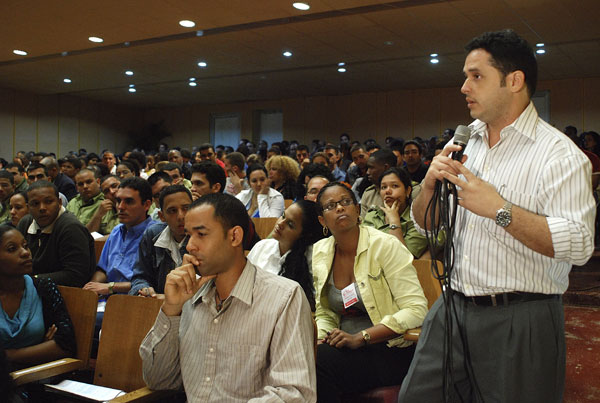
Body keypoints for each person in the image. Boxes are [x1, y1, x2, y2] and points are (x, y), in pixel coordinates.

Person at [398, 30, 595, 403]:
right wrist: (427, 186)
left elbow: (580, 245)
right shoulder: (465, 141)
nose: (463, 87)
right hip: (452, 307)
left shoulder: (559, 156)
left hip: (520, 318)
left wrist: (499, 210)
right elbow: (426, 223)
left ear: (514, 80)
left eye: (476, 76)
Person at [140, 193, 316, 402]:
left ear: (234, 236)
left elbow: (294, 394)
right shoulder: (189, 296)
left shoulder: (284, 297)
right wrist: (171, 310)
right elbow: (159, 381)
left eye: (201, 234)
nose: (189, 246)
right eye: (189, 235)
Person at [313, 182, 427, 402]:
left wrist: (361, 337)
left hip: (391, 348)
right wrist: (319, 340)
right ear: (321, 220)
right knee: (308, 356)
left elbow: (417, 310)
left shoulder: (385, 246)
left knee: (319, 364)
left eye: (345, 202)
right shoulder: (321, 251)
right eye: (330, 206)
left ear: (357, 210)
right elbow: (326, 313)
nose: (339, 208)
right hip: (344, 348)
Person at [0, 225, 76, 370]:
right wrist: (39, 348)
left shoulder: (43, 287)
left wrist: (8, 355)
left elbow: (65, 345)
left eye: (25, 246)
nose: (25, 253)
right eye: (12, 249)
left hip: (35, 378)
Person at [247, 199, 324, 310]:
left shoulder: (312, 258)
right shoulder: (262, 246)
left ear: (304, 235)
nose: (280, 224)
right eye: (283, 216)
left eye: (290, 224)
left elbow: (317, 303)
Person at [84, 177, 155, 296]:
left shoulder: (155, 234)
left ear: (146, 205)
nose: (120, 207)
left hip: (136, 300)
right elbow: (103, 269)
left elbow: (149, 283)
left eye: (129, 201)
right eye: (118, 201)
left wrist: (110, 287)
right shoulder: (117, 231)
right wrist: (92, 287)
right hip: (108, 296)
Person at [17, 181, 95, 287]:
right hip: (32, 288)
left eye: (48, 202)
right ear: (28, 207)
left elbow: (76, 275)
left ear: (59, 203)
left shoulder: (70, 227)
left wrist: (31, 280)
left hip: (67, 294)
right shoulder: (25, 223)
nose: (42, 208)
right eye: (35, 204)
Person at [129, 185, 192, 298]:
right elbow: (140, 277)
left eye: (186, 208)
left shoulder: (204, 238)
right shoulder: (153, 235)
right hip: (158, 306)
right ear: (162, 216)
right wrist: (144, 289)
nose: (181, 216)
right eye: (172, 211)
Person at [363, 168, 429, 258]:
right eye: (383, 187)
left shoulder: (417, 220)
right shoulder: (372, 215)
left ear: (408, 191)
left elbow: (403, 258)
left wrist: (394, 221)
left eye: (394, 186)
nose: (387, 191)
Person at [360, 149, 397, 217]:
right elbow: (363, 224)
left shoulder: (411, 190)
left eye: (371, 168)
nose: (367, 172)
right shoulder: (368, 194)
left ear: (386, 167)